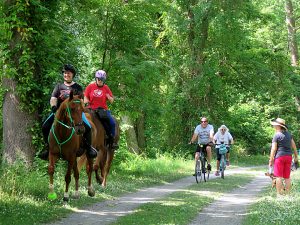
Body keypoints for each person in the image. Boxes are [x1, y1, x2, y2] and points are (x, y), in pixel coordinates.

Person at [39, 64, 97, 160]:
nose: (66, 75)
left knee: (88, 127)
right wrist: (53, 106)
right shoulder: (58, 86)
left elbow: (81, 101)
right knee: (45, 126)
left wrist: (80, 109)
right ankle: (47, 147)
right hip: (59, 113)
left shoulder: (77, 87)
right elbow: (53, 98)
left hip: (75, 113)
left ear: (72, 74)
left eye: (68, 73)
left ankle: (88, 148)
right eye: (65, 73)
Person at [84, 69, 118, 149]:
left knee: (112, 123)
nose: (99, 80)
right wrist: (87, 101)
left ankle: (111, 141)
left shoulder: (106, 88)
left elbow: (112, 100)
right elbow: (85, 97)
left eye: (101, 79)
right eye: (98, 79)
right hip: (91, 109)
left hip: (103, 110)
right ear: (96, 78)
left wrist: (109, 97)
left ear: (104, 80)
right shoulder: (90, 86)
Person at [269, 118, 298, 196]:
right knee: (287, 176)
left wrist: (271, 159)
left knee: (278, 176)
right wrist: (296, 156)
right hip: (289, 157)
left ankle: (279, 194)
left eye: (274, 125)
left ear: (278, 126)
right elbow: (294, 146)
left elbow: (274, 148)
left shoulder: (276, 135)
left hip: (279, 157)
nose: (273, 126)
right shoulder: (289, 134)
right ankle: (288, 194)